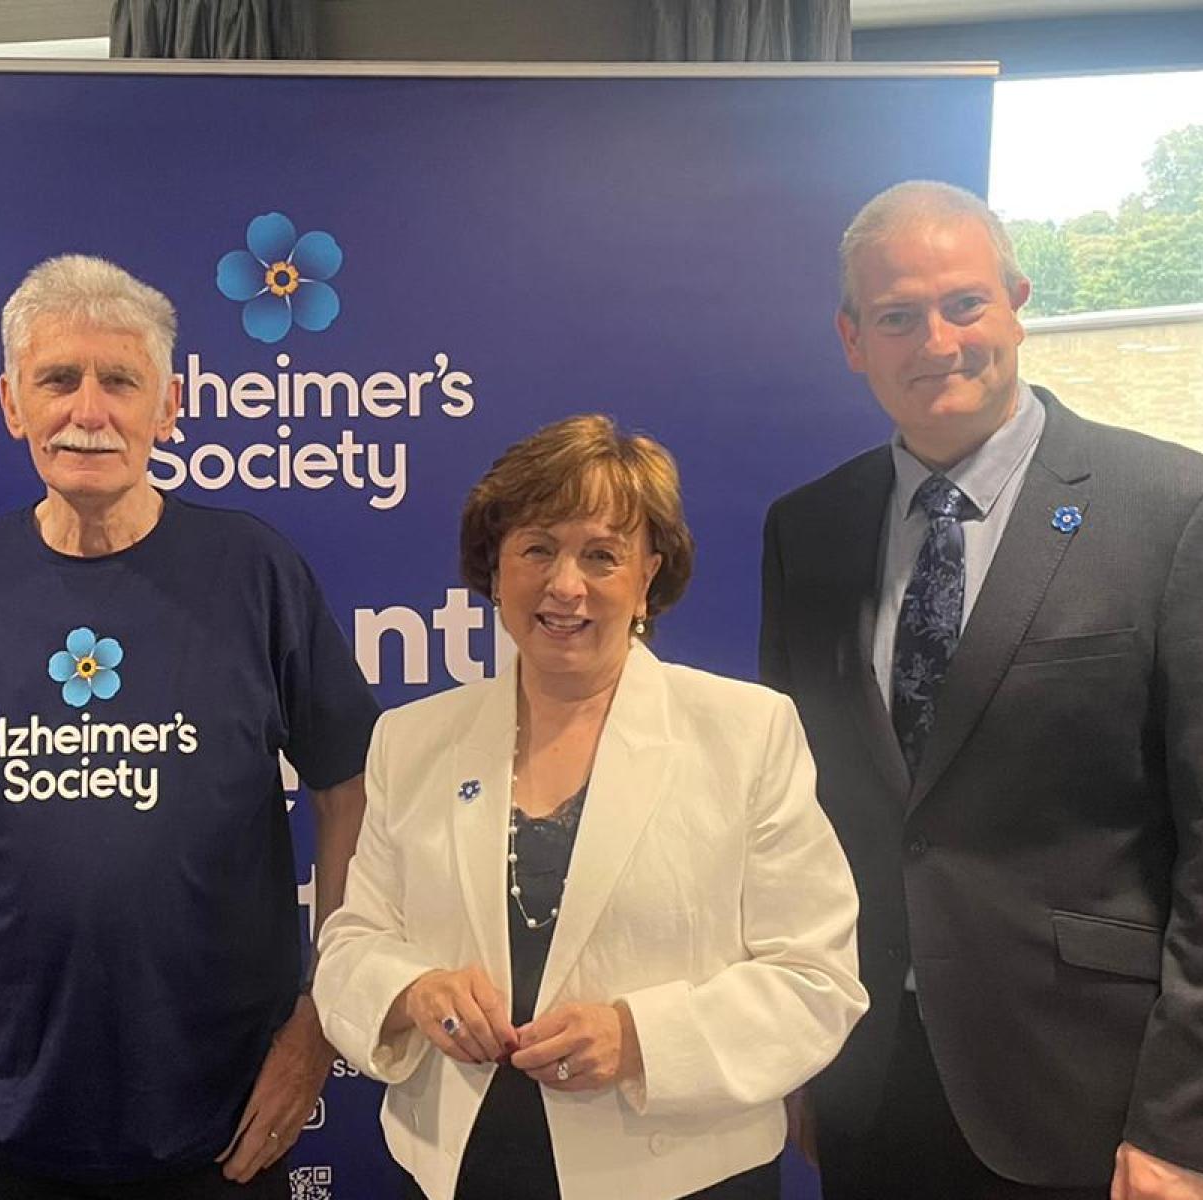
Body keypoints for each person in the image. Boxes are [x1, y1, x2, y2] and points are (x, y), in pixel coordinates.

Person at [759, 180, 1203, 1200]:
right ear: (853, 339)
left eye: (964, 303)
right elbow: (793, 822)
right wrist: (796, 1062)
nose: (938, 340)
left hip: (1096, 1106)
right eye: (897, 316)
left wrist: (1193, 1128)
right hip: (869, 1087)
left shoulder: (1181, 513)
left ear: (1017, 300)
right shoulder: (808, 532)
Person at [0, 254, 379, 1199]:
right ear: (13, 403)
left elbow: (353, 788)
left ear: (166, 408)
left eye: (120, 382)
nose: (87, 411)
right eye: (57, 380)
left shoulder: (253, 573)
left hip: (223, 1116)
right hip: (2, 1113)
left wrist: (318, 1021)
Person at [316, 414, 868, 1200]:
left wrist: (641, 1038)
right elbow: (351, 944)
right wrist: (413, 992)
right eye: (537, 548)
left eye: (601, 555)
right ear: (495, 569)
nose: (565, 585)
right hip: (462, 1169)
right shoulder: (411, 740)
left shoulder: (747, 732)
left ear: (649, 576)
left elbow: (816, 979)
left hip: (680, 1175)